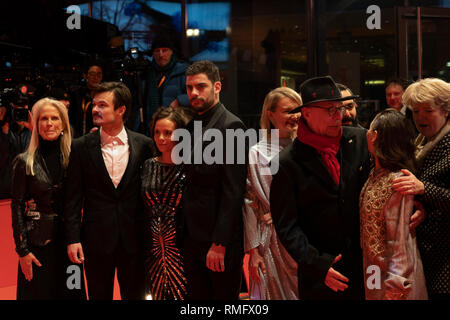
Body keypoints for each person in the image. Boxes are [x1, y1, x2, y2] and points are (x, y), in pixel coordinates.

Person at [270, 76, 371, 300]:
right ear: (306, 113)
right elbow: (286, 226)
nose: (339, 116)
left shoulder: (361, 140)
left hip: (365, 266)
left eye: (340, 108)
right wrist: (317, 265)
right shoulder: (288, 162)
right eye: (329, 110)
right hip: (322, 272)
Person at [64, 82, 154, 300]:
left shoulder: (144, 145)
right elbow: (73, 198)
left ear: (121, 110)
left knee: (135, 296)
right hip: (95, 240)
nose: (95, 109)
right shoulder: (80, 146)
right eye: (94, 105)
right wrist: (73, 238)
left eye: (102, 105)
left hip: (134, 240)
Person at [182, 60, 248, 300]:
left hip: (218, 242)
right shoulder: (190, 126)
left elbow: (233, 191)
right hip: (192, 238)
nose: (194, 93)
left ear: (217, 87)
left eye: (201, 86)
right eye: (189, 88)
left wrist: (219, 244)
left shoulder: (233, 126)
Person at [10, 98, 85, 300]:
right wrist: (23, 251)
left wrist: (75, 238)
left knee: (72, 294)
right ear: (35, 124)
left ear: (63, 124)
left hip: (71, 247)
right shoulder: (23, 162)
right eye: (43, 118)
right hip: (37, 247)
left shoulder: (75, 159)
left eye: (54, 118)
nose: (49, 123)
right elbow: (16, 207)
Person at [360, 109, 428, 300]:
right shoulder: (374, 175)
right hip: (373, 270)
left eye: (370, 128)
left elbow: (400, 241)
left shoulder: (398, 181)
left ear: (374, 136)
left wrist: (396, 284)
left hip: (395, 280)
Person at [392, 78, 449, 300]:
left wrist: (424, 189)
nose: (420, 117)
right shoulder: (420, 141)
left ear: (446, 111)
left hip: (444, 257)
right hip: (424, 253)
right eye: (416, 111)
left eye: (428, 110)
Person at [243, 87, 301, 300]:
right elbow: (250, 202)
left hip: (304, 237)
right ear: (270, 114)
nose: (295, 116)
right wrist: (254, 250)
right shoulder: (257, 153)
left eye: (298, 110)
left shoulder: (307, 150)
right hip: (272, 241)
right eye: (288, 111)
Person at [141, 106, 191, 300]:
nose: (161, 138)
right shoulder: (147, 165)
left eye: (168, 133)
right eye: (157, 132)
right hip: (152, 247)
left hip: (182, 246)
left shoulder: (189, 166)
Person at [140, 34, 189, 135]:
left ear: (172, 52)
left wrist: (179, 101)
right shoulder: (146, 72)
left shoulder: (184, 71)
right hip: (150, 127)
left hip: (176, 126)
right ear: (153, 53)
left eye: (165, 50)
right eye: (157, 51)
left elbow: (196, 96)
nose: (161, 55)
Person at [69, 64, 103, 137]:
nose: (95, 77)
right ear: (85, 76)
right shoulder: (77, 94)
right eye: (92, 74)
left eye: (99, 75)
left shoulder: (105, 96)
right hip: (77, 137)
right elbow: (71, 117)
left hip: (98, 136)